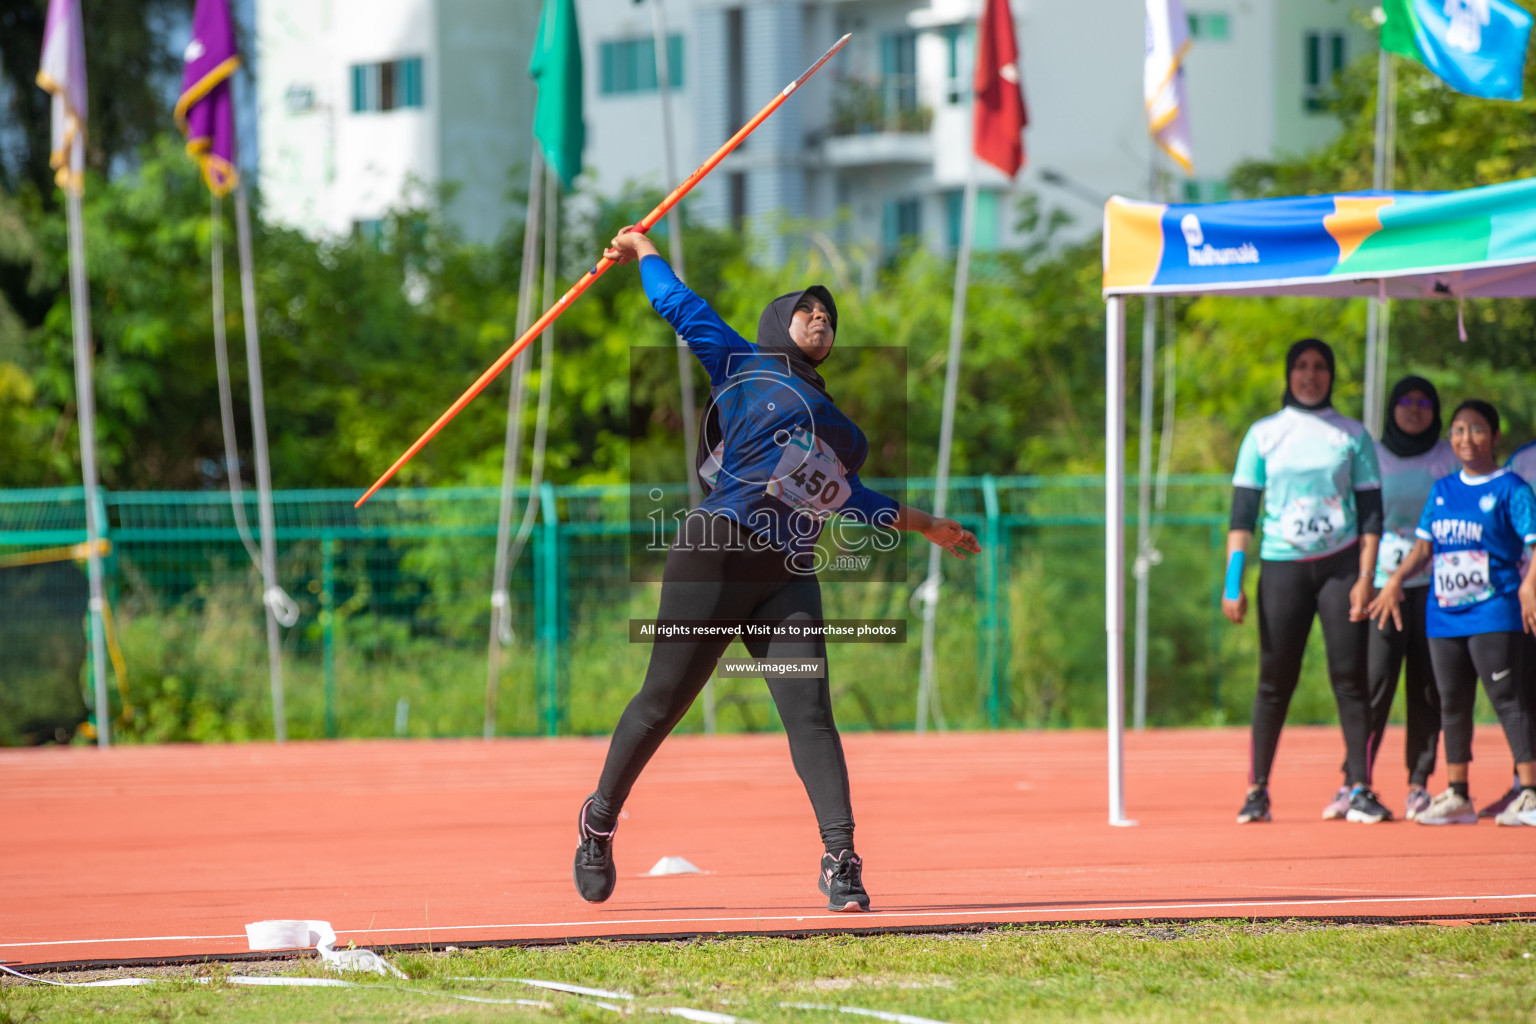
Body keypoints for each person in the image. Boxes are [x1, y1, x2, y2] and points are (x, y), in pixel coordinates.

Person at [572, 225, 981, 911]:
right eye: (807, 310)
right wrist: (643, 251)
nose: (821, 319)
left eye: (829, 316)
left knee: (811, 714)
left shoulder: (841, 432)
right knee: (662, 704)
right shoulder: (739, 364)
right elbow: (679, 305)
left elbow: (859, 502)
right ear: (776, 325)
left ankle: (841, 858)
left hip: (783, 577)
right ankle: (598, 821)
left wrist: (931, 527)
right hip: (713, 555)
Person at [1223, 339, 1387, 825]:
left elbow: (1372, 515)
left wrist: (1366, 577)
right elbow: (1242, 516)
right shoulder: (1263, 434)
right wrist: (1233, 583)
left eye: (1319, 367)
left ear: (1331, 375)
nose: (1310, 375)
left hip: (1340, 568)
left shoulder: (1352, 435)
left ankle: (1360, 787)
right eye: (1301, 366)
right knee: (1274, 682)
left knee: (1350, 679)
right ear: (1288, 373)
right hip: (1281, 568)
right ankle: (1257, 791)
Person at [1369, 400, 1536, 826]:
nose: (1466, 439)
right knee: (1452, 701)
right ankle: (1458, 793)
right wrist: (1393, 581)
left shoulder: (1512, 488)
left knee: (1506, 698)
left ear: (1495, 437)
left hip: (1493, 610)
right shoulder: (1443, 489)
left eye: (1477, 429)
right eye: (1459, 430)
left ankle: (1530, 791)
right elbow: (1424, 548)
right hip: (1444, 615)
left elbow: (1534, 545)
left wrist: (1530, 586)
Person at [1365, 376, 1458, 819]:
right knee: (1375, 682)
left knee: (1427, 687)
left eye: (1424, 402)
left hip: (1439, 587)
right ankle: (1356, 780)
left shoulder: (1447, 457)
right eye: (1406, 400)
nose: (1415, 408)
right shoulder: (1375, 455)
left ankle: (1419, 783)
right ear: (1392, 407)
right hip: (1385, 588)